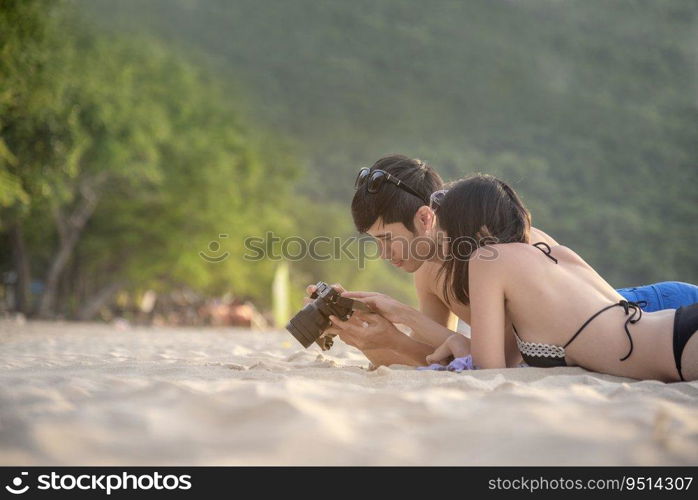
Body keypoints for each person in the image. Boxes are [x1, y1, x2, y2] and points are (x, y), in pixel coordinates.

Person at [319, 155, 698, 368]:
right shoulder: (429, 274)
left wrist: (400, 319)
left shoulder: (498, 249)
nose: (384, 254)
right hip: (623, 334)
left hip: (648, 307)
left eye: (387, 239)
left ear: (424, 218)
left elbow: (493, 360)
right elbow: (436, 360)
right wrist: (370, 334)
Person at [422, 174, 697, 381]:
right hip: (679, 327)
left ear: (470, 227)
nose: (440, 235)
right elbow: (506, 357)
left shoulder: (486, 260)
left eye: (444, 226)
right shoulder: (556, 253)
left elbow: (488, 371)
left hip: (678, 348)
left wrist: (459, 343)